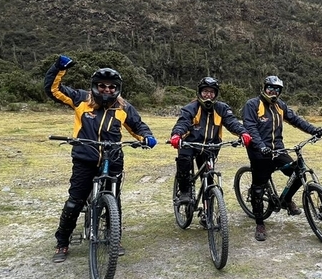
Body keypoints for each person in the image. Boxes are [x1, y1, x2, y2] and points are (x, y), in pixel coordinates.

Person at [44, 55, 156, 262]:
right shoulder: (81, 99)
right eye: (102, 86)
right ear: (95, 86)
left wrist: (146, 137)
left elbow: (137, 126)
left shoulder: (124, 108)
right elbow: (54, 90)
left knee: (114, 201)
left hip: (113, 159)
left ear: (117, 88)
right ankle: (62, 241)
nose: (107, 90)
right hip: (85, 158)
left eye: (112, 87)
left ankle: (114, 237)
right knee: (75, 202)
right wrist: (58, 68)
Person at [242, 75, 322, 241]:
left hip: (278, 150)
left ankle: (286, 200)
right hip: (259, 152)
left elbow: (296, 120)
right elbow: (250, 128)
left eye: (277, 89)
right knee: (258, 187)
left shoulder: (280, 105)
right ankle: (260, 223)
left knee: (298, 171)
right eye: (270, 88)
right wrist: (260, 146)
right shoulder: (252, 105)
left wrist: (314, 130)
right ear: (264, 88)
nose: (273, 92)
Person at [169, 77, 251, 204]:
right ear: (200, 92)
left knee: (209, 178)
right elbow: (183, 123)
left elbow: (232, 122)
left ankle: (208, 212)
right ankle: (184, 191)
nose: (208, 95)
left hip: (211, 146)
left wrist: (243, 133)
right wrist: (176, 135)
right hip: (189, 143)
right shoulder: (191, 107)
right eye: (205, 91)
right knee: (184, 162)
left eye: (212, 92)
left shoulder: (222, 108)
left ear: (216, 94)